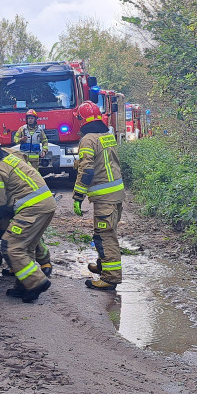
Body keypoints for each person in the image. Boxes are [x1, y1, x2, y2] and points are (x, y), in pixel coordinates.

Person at [0, 129, 56, 303]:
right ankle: (25, 285)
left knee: (11, 245)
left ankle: (37, 282)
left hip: (33, 207)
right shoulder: (9, 154)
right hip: (44, 204)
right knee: (25, 247)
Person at [72, 101, 125, 290]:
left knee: (105, 236)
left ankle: (110, 278)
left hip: (105, 198)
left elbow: (87, 171)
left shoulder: (88, 140)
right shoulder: (106, 135)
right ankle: (103, 265)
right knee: (103, 233)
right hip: (116, 195)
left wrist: (78, 196)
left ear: (81, 119)